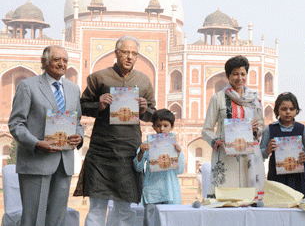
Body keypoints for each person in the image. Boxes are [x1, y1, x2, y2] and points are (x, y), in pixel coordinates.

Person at [78, 35, 156, 226]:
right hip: (102, 151)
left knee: (124, 210)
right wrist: (99, 104)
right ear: (116, 53)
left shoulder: (143, 81)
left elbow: (154, 116)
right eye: (125, 52)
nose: (129, 57)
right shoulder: (99, 78)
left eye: (134, 53)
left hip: (129, 151)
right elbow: (81, 106)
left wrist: (145, 109)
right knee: (97, 208)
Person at [8, 45, 84, 225]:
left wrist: (79, 136)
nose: (62, 64)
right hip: (37, 161)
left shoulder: (73, 89)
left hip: (64, 162)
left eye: (65, 60)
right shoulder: (28, 86)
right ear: (44, 61)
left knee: (57, 219)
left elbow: (78, 122)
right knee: (33, 219)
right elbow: (16, 124)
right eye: (57, 59)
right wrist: (36, 143)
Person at [202, 55, 265, 198]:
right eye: (235, 74)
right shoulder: (218, 98)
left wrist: (256, 130)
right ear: (227, 75)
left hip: (249, 156)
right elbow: (206, 130)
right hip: (225, 156)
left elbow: (261, 125)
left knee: (249, 201)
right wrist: (219, 142)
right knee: (226, 200)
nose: (239, 78)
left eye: (243, 74)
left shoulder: (255, 98)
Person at [133, 109, 185, 226]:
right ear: (153, 127)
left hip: (170, 191)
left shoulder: (175, 147)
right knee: (151, 222)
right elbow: (137, 167)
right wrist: (141, 152)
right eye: (158, 126)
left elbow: (180, 170)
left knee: (169, 222)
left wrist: (178, 154)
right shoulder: (147, 145)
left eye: (165, 125)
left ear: (171, 127)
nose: (162, 129)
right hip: (152, 193)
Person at [260, 92, 305, 198]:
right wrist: (268, 150)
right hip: (277, 177)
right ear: (277, 110)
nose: (288, 112)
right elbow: (260, 152)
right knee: (278, 206)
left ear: (296, 110)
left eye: (292, 109)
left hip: (298, 177)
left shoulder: (302, 129)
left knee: (299, 206)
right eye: (284, 109)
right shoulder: (270, 129)